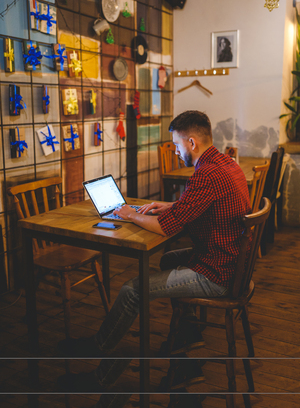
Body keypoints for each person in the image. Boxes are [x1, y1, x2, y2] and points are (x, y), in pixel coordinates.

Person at [58, 110, 251, 400]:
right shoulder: (224, 163)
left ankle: (102, 349)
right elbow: (193, 206)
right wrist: (166, 204)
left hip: (216, 272)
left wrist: (128, 214)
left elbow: (164, 228)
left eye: (176, 144)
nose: (175, 151)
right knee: (169, 260)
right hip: (233, 261)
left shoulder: (207, 174)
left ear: (191, 142)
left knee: (132, 290)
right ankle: (185, 337)